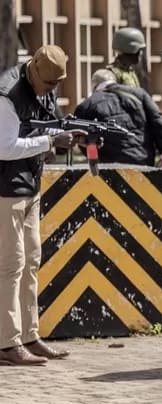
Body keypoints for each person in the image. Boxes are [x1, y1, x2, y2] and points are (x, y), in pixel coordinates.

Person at [0, 45, 84, 365]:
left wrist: (69, 135)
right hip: (6, 191)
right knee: (11, 265)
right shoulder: (8, 95)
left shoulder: (45, 87)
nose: (51, 91)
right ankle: (7, 342)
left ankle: (29, 335)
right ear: (34, 70)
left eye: (55, 86)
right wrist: (50, 142)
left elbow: (51, 125)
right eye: (48, 85)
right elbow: (5, 147)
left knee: (32, 260)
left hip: (30, 187)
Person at [74, 69, 162, 167]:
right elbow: (158, 122)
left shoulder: (86, 105)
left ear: (94, 85)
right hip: (142, 160)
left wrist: (95, 160)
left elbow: (82, 139)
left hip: (108, 166)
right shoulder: (139, 94)